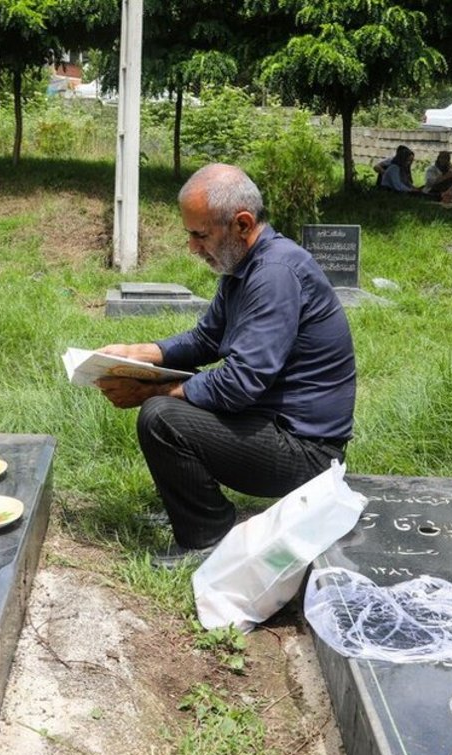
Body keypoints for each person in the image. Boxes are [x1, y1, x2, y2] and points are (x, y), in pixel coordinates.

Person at [94, 164, 356, 569]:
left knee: (163, 416)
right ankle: (197, 514)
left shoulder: (274, 273)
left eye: (200, 235)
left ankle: (209, 538)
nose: (193, 248)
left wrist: (151, 391)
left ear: (242, 224)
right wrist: (140, 353)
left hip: (308, 455)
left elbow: (240, 383)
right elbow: (206, 340)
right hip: (273, 427)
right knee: (173, 405)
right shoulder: (244, 268)